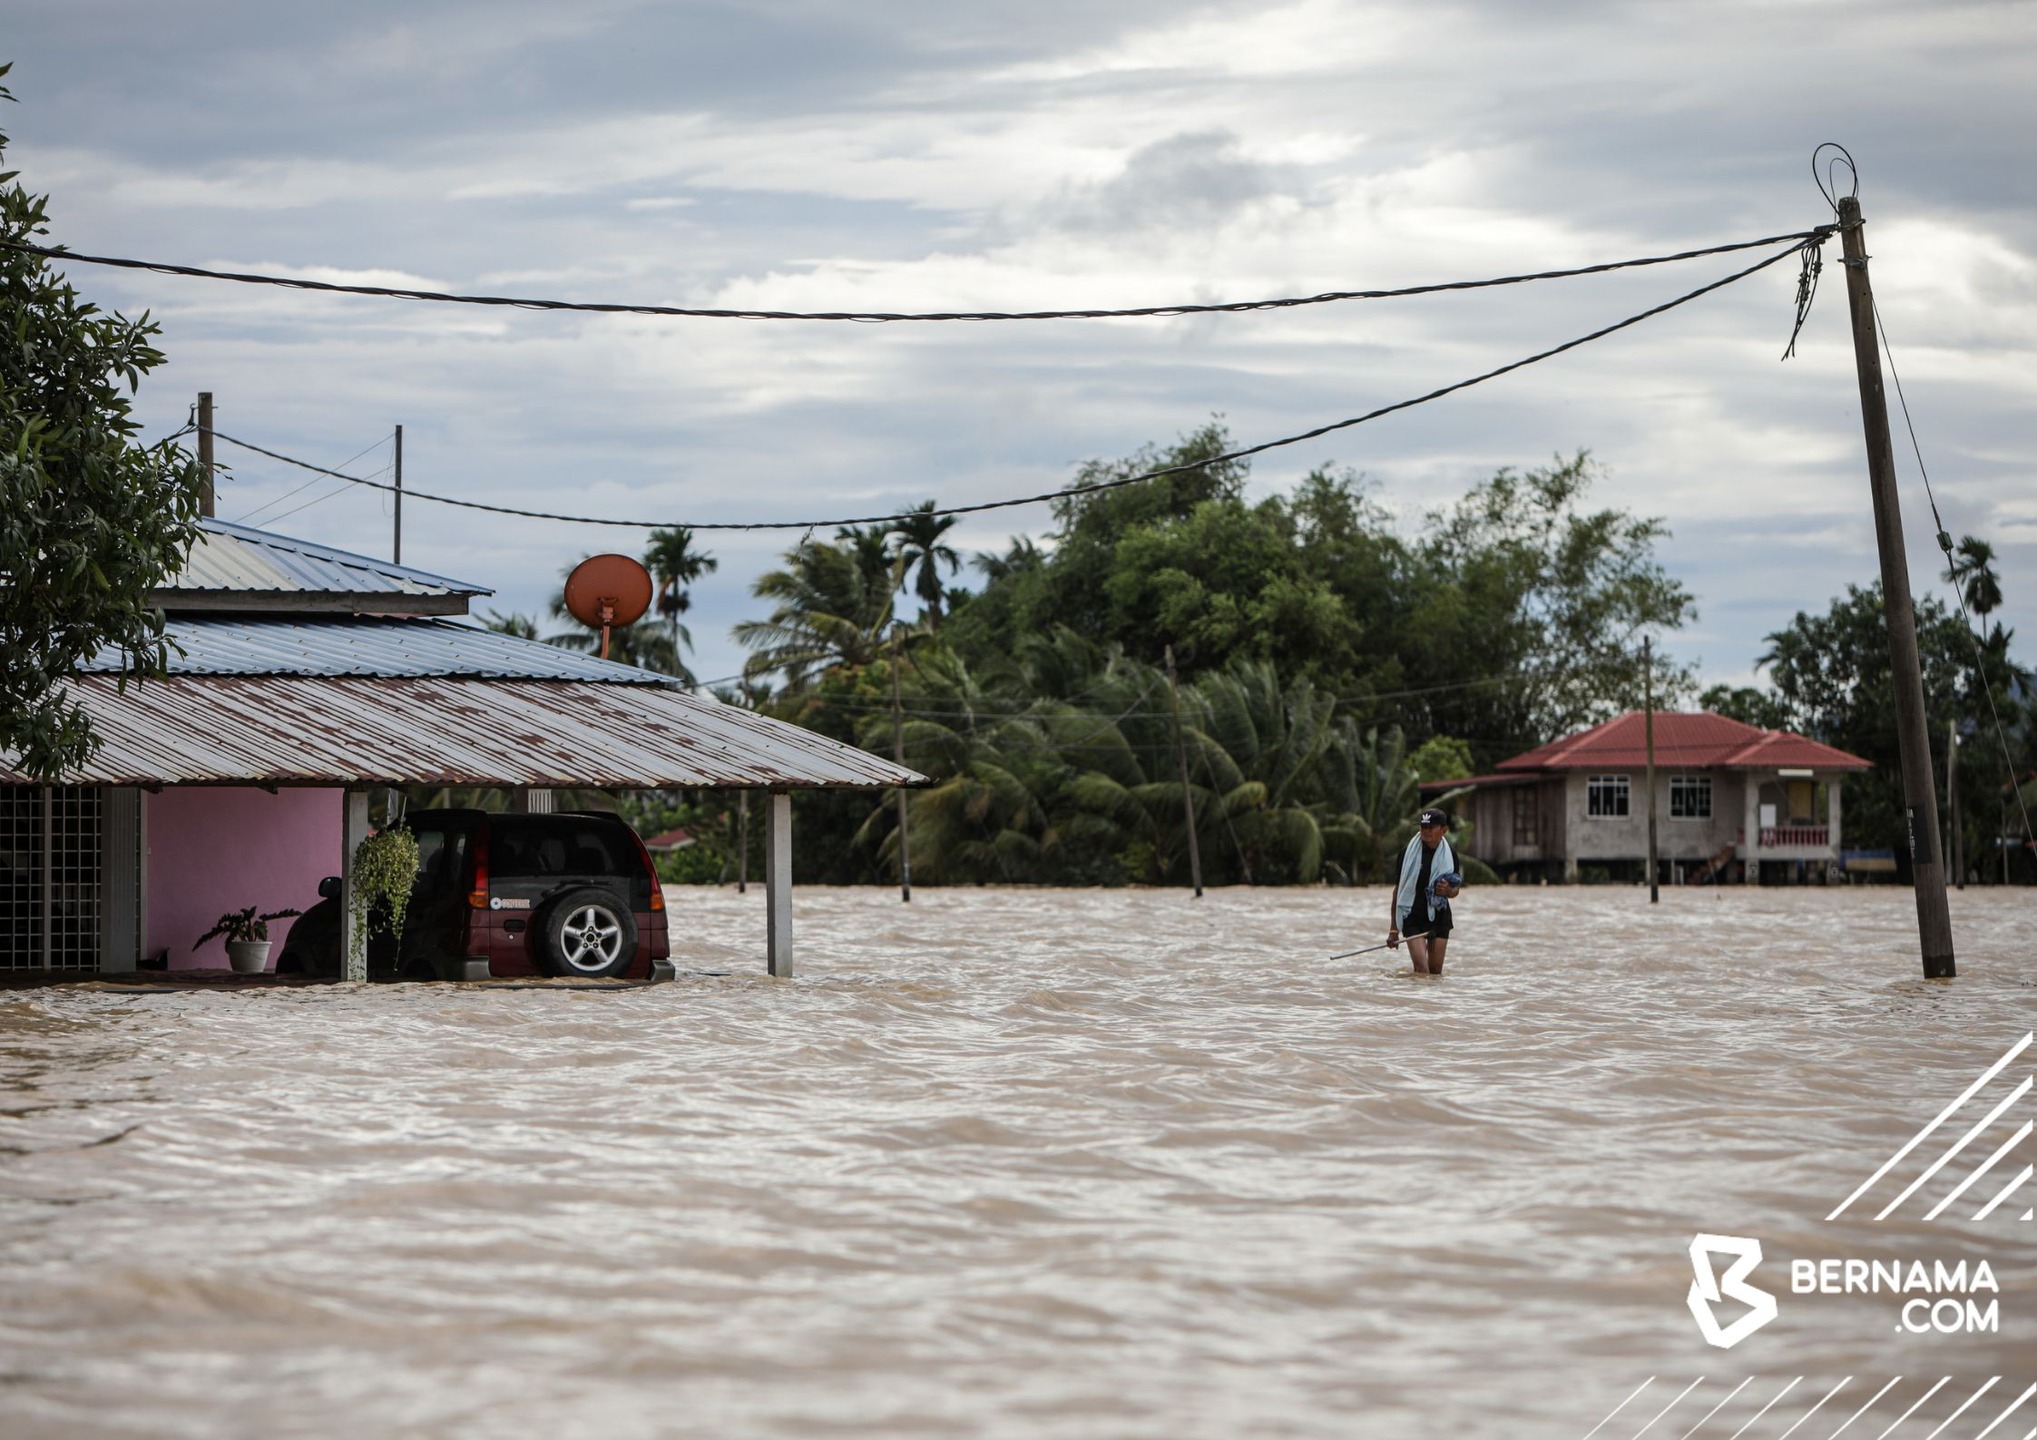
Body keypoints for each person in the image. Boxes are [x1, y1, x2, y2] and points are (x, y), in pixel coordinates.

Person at [1388, 808, 1461, 975]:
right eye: (1423, 827)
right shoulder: (1407, 853)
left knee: (1435, 973)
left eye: (1431, 827)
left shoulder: (1450, 855)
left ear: (1444, 830)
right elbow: (1398, 890)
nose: (1425, 831)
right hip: (1412, 916)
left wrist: (1448, 890)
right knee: (1421, 970)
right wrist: (1393, 929)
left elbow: (1456, 890)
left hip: (1440, 917)